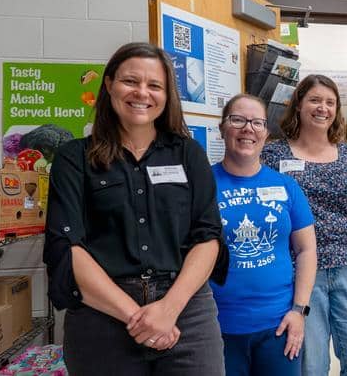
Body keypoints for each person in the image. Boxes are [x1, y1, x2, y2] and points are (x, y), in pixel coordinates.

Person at [43, 42, 227, 375]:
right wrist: (138, 318)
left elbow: (208, 237)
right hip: (102, 316)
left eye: (154, 85)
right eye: (130, 81)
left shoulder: (189, 154)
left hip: (186, 311)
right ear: (110, 84)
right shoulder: (74, 159)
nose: (142, 92)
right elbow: (67, 246)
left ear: (167, 94)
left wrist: (168, 311)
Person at [261, 75, 347, 376]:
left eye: (330, 102)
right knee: (310, 365)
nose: (323, 108)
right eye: (315, 100)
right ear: (299, 105)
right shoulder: (273, 156)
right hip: (299, 274)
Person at [211, 93, 317, 376]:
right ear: (222, 128)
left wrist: (299, 310)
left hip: (279, 325)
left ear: (266, 134)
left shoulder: (286, 186)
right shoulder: (203, 186)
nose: (248, 129)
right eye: (238, 120)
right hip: (217, 327)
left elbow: (307, 251)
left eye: (257, 123)